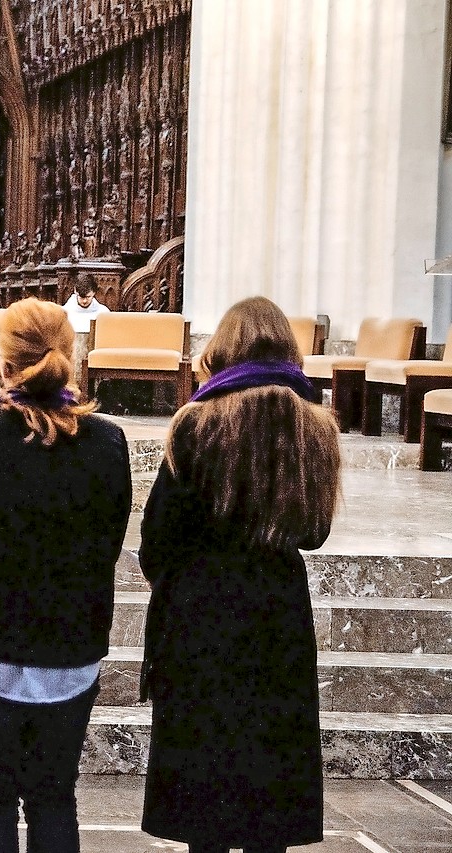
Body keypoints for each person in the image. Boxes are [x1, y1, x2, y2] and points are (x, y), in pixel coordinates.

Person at [139, 296, 342, 853]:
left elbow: (157, 538)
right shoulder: (315, 426)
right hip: (277, 606)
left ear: (222, 350)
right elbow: (315, 531)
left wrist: (180, 581)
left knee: (204, 763)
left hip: (201, 607)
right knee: (269, 756)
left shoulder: (196, 423)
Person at [0, 298, 132, 853]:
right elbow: (108, 544)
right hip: (70, 642)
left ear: (2, 360)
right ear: (71, 354)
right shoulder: (106, 441)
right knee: (54, 797)